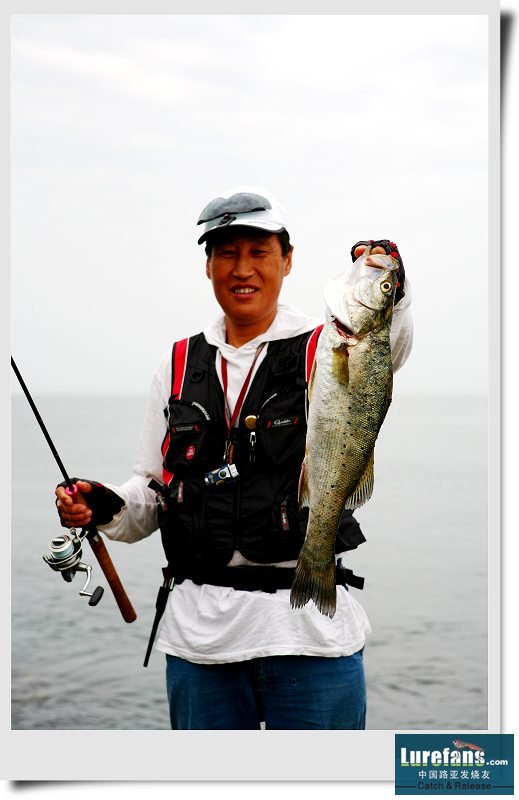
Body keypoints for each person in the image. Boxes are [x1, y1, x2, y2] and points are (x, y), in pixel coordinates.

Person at [55, 186, 413, 730]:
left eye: (259, 252)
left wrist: (393, 288)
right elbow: (150, 494)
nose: (242, 269)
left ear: (287, 260)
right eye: (227, 253)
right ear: (208, 266)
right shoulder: (178, 363)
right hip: (200, 645)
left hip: (312, 640)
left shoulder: (325, 345)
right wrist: (102, 505)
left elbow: (388, 346)